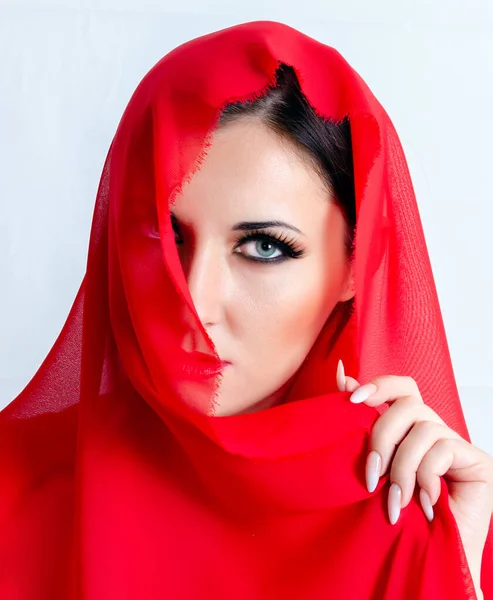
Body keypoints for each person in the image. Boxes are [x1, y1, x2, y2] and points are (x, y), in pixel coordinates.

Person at [0, 19, 492, 599]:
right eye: (162, 236)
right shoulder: (15, 488)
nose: (193, 301)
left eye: (264, 247)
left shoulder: (416, 510)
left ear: (357, 263)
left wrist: (450, 568)